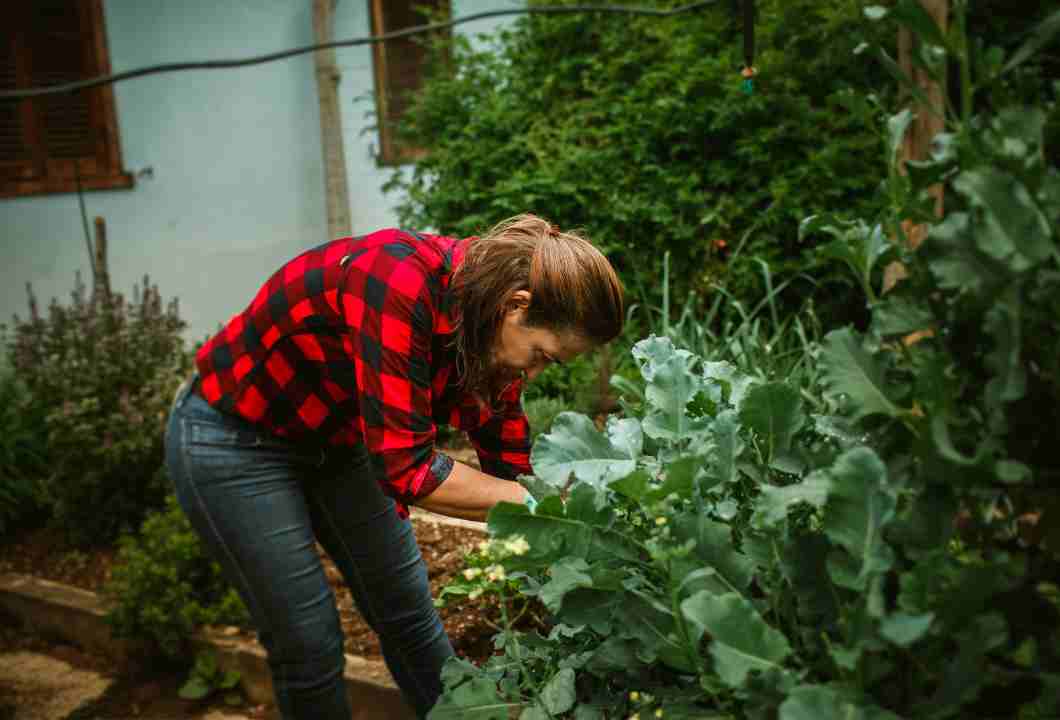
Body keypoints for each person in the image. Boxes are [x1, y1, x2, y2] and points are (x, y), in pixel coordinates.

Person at [164, 213, 624, 719]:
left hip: (339, 441)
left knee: (409, 615)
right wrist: (546, 505)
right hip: (235, 438)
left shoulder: (487, 317)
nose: (532, 372)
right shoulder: (397, 283)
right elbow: (409, 470)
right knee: (309, 643)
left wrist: (573, 548)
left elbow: (507, 455)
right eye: (542, 356)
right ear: (517, 305)